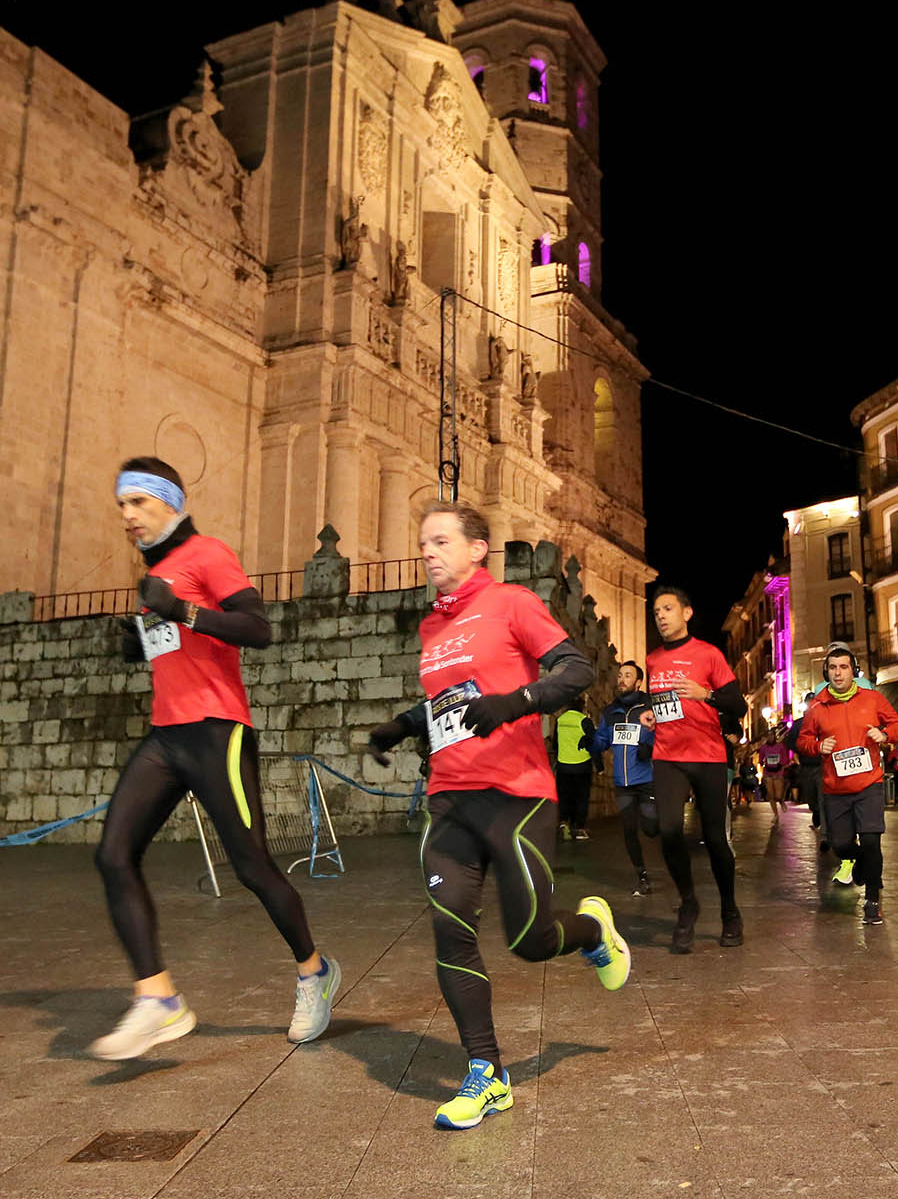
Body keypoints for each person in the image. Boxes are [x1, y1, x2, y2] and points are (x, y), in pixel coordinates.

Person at [365, 500, 630, 1130]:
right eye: (423, 542)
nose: (427, 552)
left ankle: (593, 932)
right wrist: (401, 725)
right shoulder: (432, 628)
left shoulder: (512, 603)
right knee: (450, 930)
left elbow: (575, 670)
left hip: (518, 795)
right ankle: (487, 1072)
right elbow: (448, 702)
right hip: (450, 799)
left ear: (477, 548)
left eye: (440, 541)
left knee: (529, 940)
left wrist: (513, 703)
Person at [91, 458, 339, 1060]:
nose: (126, 516)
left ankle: (314, 971)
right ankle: (159, 999)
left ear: (169, 501)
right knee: (114, 854)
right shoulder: (157, 573)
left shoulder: (207, 554)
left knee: (252, 867)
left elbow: (258, 629)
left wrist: (181, 611)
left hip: (216, 731)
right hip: (166, 736)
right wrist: (141, 642)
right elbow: (177, 646)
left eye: (137, 502)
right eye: (121, 504)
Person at [646, 586, 749, 953]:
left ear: (686, 613)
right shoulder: (653, 659)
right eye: (656, 611)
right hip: (667, 755)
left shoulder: (708, 654)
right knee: (668, 830)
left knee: (715, 839)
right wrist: (652, 713)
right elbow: (662, 702)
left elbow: (738, 705)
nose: (661, 615)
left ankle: (730, 911)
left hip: (707, 756)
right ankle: (688, 902)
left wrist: (705, 695)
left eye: (668, 608)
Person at [794, 648, 898, 924]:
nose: (838, 673)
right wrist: (818, 746)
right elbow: (803, 741)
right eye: (833, 667)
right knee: (840, 844)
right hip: (836, 788)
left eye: (843, 667)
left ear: (853, 671)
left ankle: (872, 900)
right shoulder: (817, 707)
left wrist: (884, 734)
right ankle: (860, 861)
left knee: (871, 840)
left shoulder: (872, 698)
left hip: (869, 783)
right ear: (826, 672)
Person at [587, 660, 657, 897]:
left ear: (638, 682)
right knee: (628, 830)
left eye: (627, 675)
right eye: (619, 675)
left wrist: (651, 747)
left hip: (646, 779)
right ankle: (642, 877)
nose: (621, 679)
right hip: (622, 783)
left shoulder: (651, 707)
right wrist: (591, 743)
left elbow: (667, 733)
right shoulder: (610, 712)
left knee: (651, 828)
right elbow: (602, 741)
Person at [552, 703, 597, 840]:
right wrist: (599, 766)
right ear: (581, 707)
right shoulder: (584, 721)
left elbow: (555, 744)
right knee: (581, 797)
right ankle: (578, 828)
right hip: (582, 766)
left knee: (565, 796)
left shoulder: (560, 720)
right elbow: (594, 743)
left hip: (563, 765)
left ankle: (564, 822)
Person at [758, 731, 790, 819]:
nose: (770, 737)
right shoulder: (763, 747)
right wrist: (762, 762)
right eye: (768, 735)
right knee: (771, 795)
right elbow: (760, 760)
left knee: (778, 796)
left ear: (774, 736)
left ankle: (781, 801)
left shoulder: (780, 746)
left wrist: (781, 764)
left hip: (778, 772)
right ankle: (775, 814)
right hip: (768, 772)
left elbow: (785, 759)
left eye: (771, 735)